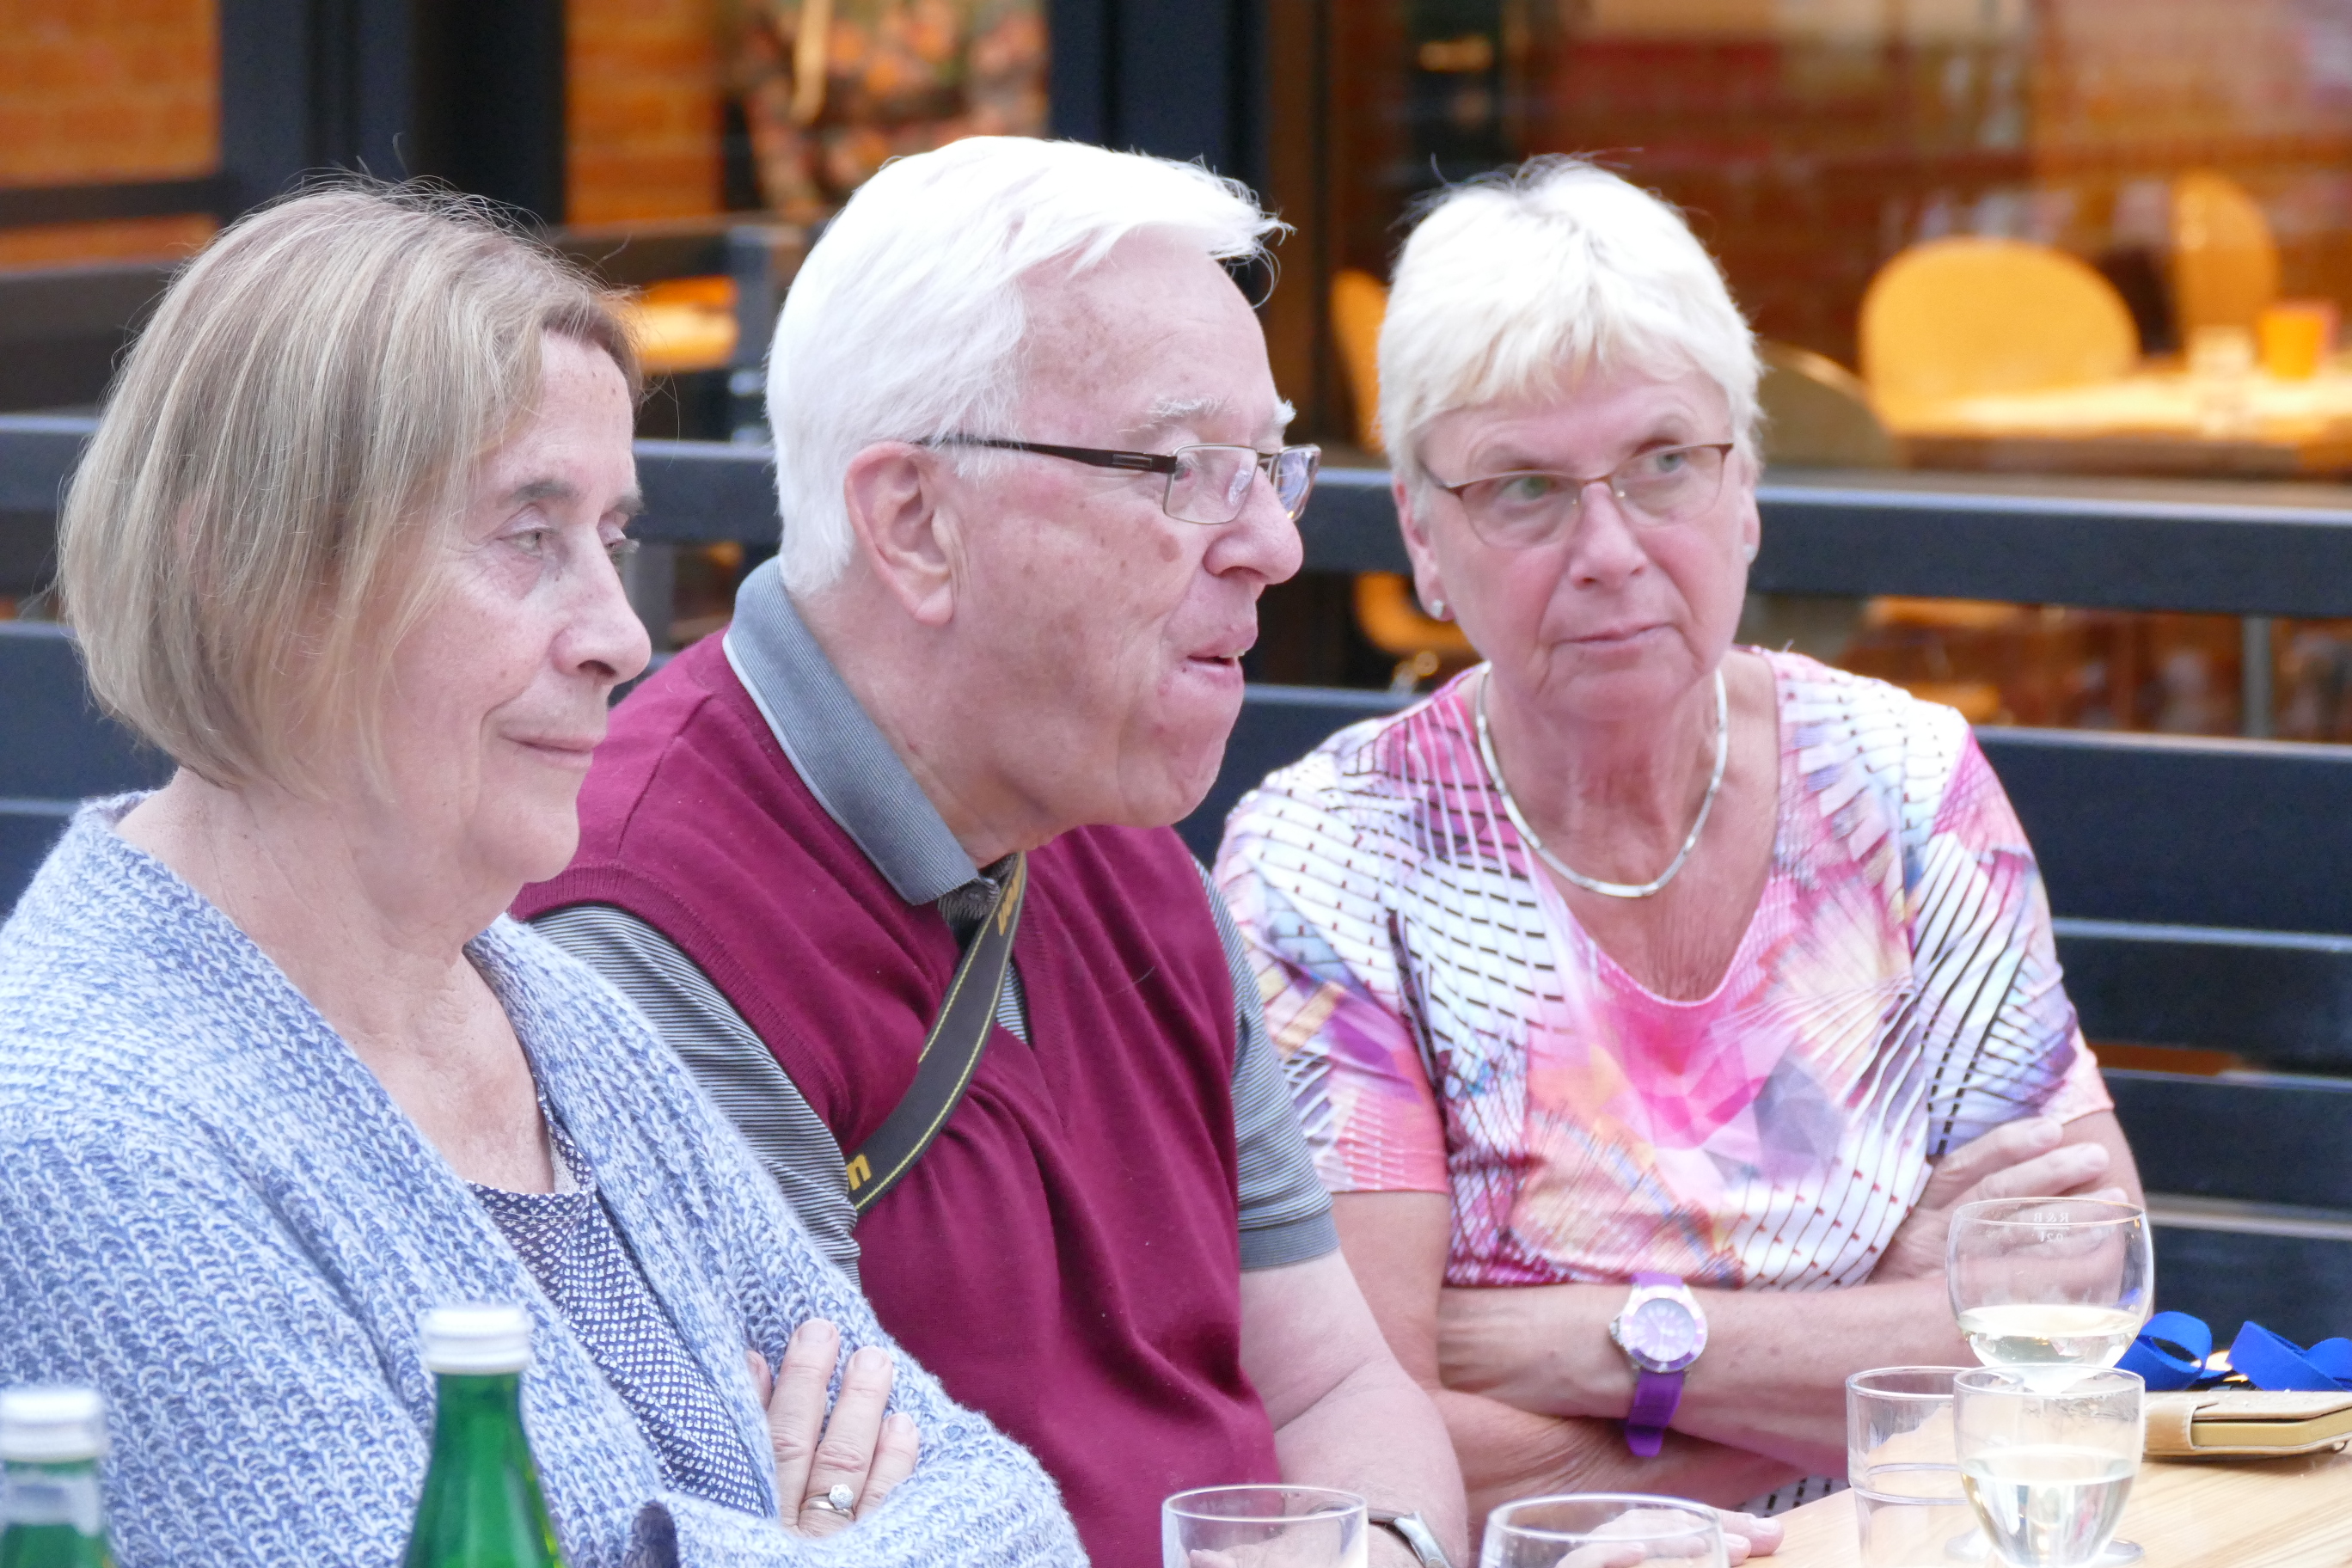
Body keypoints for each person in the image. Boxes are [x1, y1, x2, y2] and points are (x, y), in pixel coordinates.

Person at [0, 186, 1079, 1567]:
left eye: (611, 539)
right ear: (246, 574)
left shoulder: (548, 1012)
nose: (622, 636)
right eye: (529, 536)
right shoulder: (82, 1129)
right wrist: (810, 1534)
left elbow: (1014, 1517)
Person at [515, 137, 1471, 1568]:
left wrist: (1380, 1553)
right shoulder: (645, 934)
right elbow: (818, 1531)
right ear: (914, 522)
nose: (1272, 545)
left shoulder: (1123, 844)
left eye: (1270, 466)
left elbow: (1338, 1387)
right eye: (1185, 470)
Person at [1212, 159, 2145, 1526]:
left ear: (1745, 487)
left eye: (1665, 463)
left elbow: (2069, 1296)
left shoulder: (1898, 785)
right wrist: (1864, 1377)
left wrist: (1586, 1344)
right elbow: (1353, 1426)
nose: (1609, 547)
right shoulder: (1334, 865)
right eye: (1524, 488)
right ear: (1421, 535)